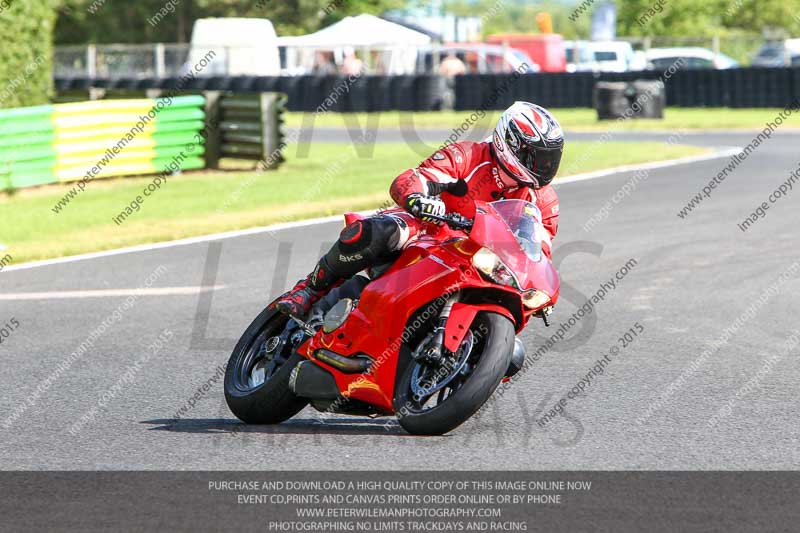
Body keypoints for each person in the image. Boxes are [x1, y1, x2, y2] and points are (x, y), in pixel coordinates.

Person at [275, 101, 564, 318]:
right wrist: (417, 198)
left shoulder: (545, 201)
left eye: (550, 158)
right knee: (378, 232)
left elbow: (539, 253)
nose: (544, 166)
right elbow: (417, 178)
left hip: (482, 261)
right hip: (430, 232)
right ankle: (309, 290)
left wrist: (536, 290)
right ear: (510, 144)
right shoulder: (468, 155)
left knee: (512, 351)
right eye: (536, 157)